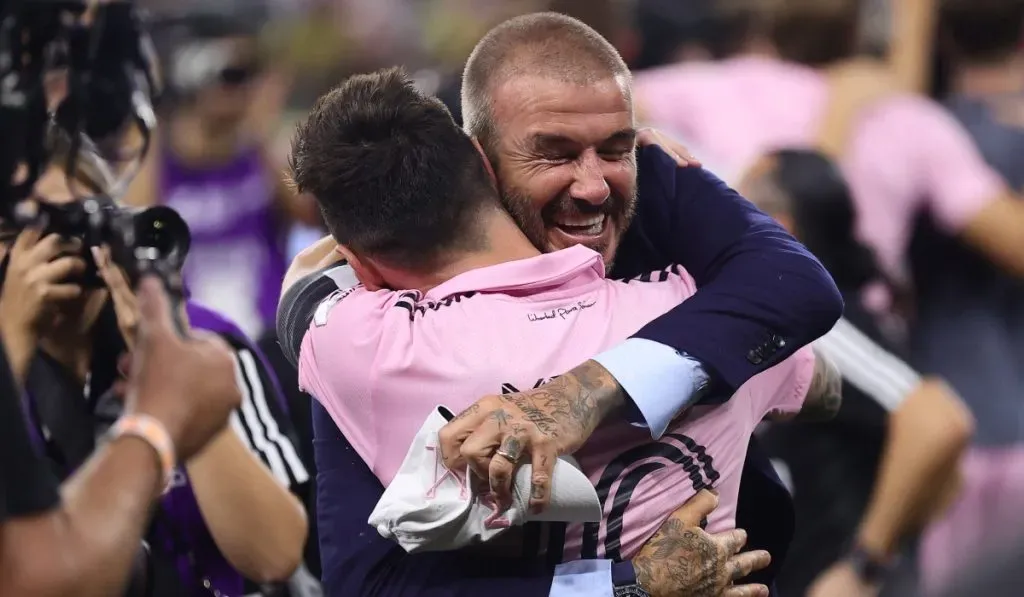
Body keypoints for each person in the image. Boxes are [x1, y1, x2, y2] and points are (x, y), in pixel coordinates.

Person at [278, 12, 843, 596]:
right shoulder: (691, 295)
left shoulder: (365, 343)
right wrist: (626, 587)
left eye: (618, 149)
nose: (595, 185)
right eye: (556, 153)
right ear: (482, 163)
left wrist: (584, 393)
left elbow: (800, 302)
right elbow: (818, 380)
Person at [1, 129, 309, 596]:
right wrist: (10, 350)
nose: (46, 252)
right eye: (12, 234)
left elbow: (275, 557)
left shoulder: (202, 340)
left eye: (70, 225)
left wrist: (172, 366)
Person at [739, 150, 973, 597]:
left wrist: (863, 566)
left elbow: (938, 421)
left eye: (738, 206)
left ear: (779, 227)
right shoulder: (825, 316)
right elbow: (949, 480)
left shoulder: (817, 324)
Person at [124, 11, 319, 341]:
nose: (241, 87)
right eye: (233, 72)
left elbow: (310, 214)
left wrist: (261, 130)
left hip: (268, 340)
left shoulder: (261, 153)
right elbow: (137, 225)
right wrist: (152, 107)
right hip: (189, 340)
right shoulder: (160, 158)